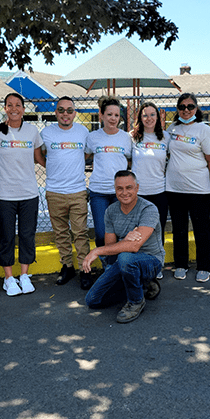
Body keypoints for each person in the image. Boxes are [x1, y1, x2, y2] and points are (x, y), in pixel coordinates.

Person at [0, 93, 45, 296]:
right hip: (4, 195)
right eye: (10, 105)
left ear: (24, 109)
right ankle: (9, 278)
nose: (14, 108)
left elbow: (39, 159)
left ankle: (24, 275)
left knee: (27, 235)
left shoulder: (32, 131)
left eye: (18, 105)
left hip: (29, 193)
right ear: (5, 108)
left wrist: (61, 167)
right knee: (7, 237)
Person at [83, 171, 164, 323]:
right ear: (115, 189)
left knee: (126, 257)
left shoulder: (149, 209)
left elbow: (134, 247)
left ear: (137, 188)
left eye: (129, 187)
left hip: (150, 260)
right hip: (123, 262)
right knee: (93, 300)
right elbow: (110, 247)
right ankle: (141, 285)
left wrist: (96, 250)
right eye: (120, 188)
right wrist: (125, 239)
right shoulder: (111, 211)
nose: (124, 192)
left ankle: (136, 302)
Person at [166, 93, 210, 283]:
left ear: (196, 109)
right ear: (177, 109)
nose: (186, 110)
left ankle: (204, 266)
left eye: (190, 106)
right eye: (182, 107)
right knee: (179, 229)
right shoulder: (172, 128)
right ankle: (181, 264)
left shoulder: (203, 130)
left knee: (201, 229)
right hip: (174, 187)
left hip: (199, 189)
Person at [41, 96, 91, 287]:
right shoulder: (46, 132)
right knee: (61, 233)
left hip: (77, 190)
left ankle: (85, 269)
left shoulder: (83, 131)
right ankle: (67, 266)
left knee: (80, 233)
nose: (65, 114)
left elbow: (86, 154)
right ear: (56, 112)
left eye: (69, 110)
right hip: (54, 191)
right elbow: (40, 154)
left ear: (74, 113)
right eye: (61, 110)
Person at [85, 96, 132, 289]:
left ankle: (116, 267)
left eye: (116, 115)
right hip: (98, 191)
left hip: (120, 193)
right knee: (101, 231)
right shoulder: (92, 137)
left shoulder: (125, 138)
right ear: (101, 115)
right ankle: (107, 265)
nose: (113, 118)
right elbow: (85, 156)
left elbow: (129, 160)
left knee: (119, 232)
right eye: (109, 114)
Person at [130, 102, 170, 279]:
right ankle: (139, 264)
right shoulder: (132, 137)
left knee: (157, 230)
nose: (149, 118)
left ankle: (156, 265)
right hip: (138, 193)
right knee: (137, 230)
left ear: (158, 117)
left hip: (159, 191)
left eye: (152, 114)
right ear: (140, 118)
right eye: (145, 115)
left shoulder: (165, 138)